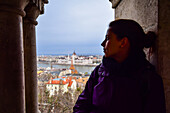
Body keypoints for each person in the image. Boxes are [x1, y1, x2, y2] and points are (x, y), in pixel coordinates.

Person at [73, 19, 166, 113]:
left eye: (108, 38)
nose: (102, 44)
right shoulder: (99, 71)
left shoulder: (149, 80)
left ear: (123, 42)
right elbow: (81, 105)